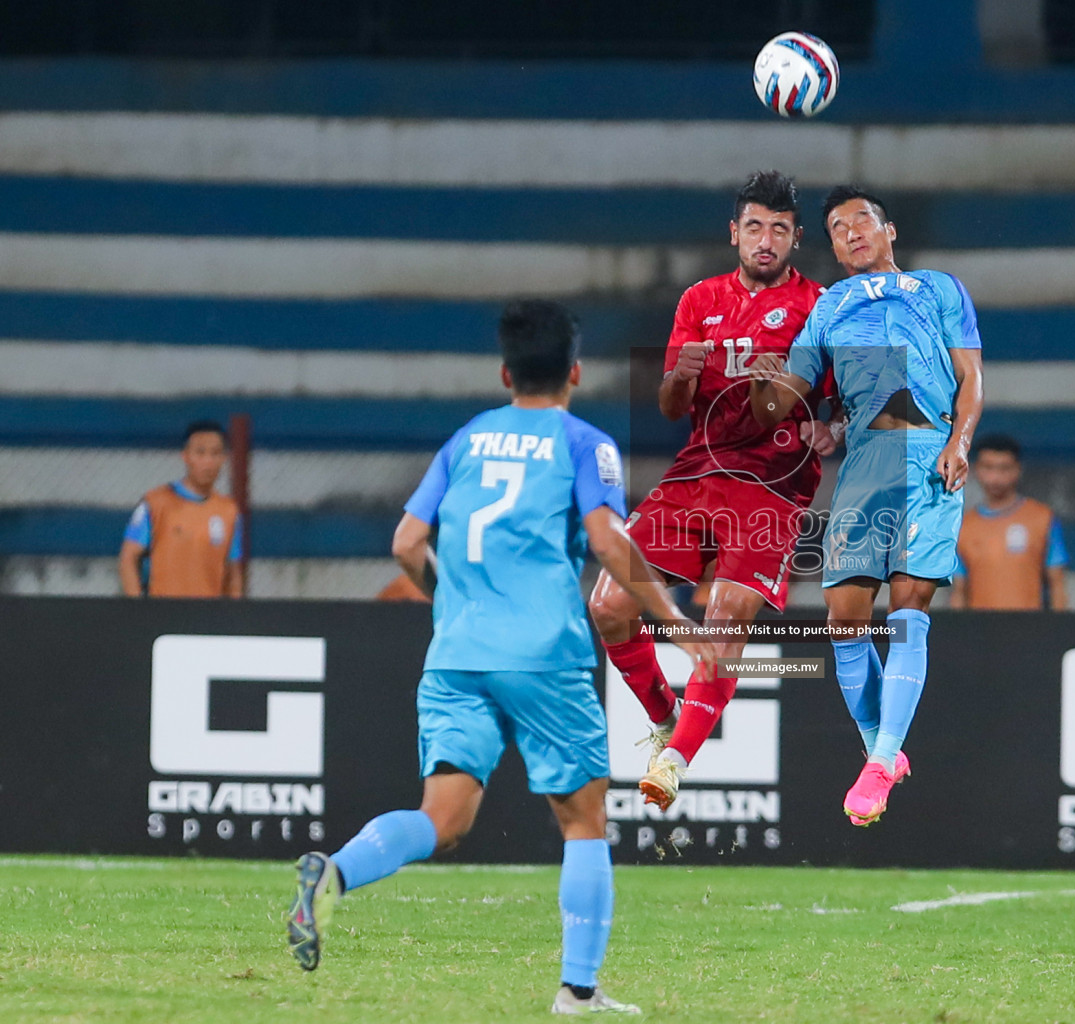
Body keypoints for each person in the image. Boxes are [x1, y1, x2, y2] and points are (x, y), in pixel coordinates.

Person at [283, 301, 714, 1016]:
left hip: (456, 654)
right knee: (583, 821)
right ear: (574, 371)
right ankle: (578, 991)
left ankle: (335, 872)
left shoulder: (466, 440)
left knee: (442, 819)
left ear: (505, 372)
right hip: (543, 654)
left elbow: (404, 543)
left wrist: (449, 602)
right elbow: (608, 539)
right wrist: (670, 618)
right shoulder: (585, 444)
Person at [587, 170, 838, 811]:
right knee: (610, 603)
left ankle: (674, 760)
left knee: (726, 614)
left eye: (779, 229)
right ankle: (666, 714)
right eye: (755, 226)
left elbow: (839, 403)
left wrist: (829, 427)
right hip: (695, 473)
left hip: (772, 487)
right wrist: (681, 374)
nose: (766, 240)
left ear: (795, 239)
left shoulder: (821, 307)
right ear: (734, 233)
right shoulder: (700, 300)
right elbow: (672, 405)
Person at [749, 185, 984, 826]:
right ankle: (882, 753)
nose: (850, 232)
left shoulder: (938, 289)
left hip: (929, 447)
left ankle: (878, 765)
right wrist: (753, 383)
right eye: (835, 227)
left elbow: (972, 378)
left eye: (861, 220)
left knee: (908, 606)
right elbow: (785, 395)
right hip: (866, 460)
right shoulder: (827, 308)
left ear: (890, 230)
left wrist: (961, 441)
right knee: (846, 619)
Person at [118, 419, 244, 598]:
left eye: (215, 453)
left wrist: (233, 618)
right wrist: (140, 609)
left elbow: (233, 571)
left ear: (223, 458)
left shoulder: (228, 511)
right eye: (200, 453)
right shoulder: (156, 503)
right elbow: (128, 558)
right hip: (164, 616)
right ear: (185, 456)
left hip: (208, 619)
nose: (208, 461)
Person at [951, 434, 1069, 610]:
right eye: (988, 468)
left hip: (1030, 628)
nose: (996, 477)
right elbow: (960, 590)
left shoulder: (1041, 518)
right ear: (975, 470)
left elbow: (1057, 583)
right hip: (979, 630)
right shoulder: (964, 526)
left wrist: (1061, 631)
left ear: (1018, 469)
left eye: (1004, 468)